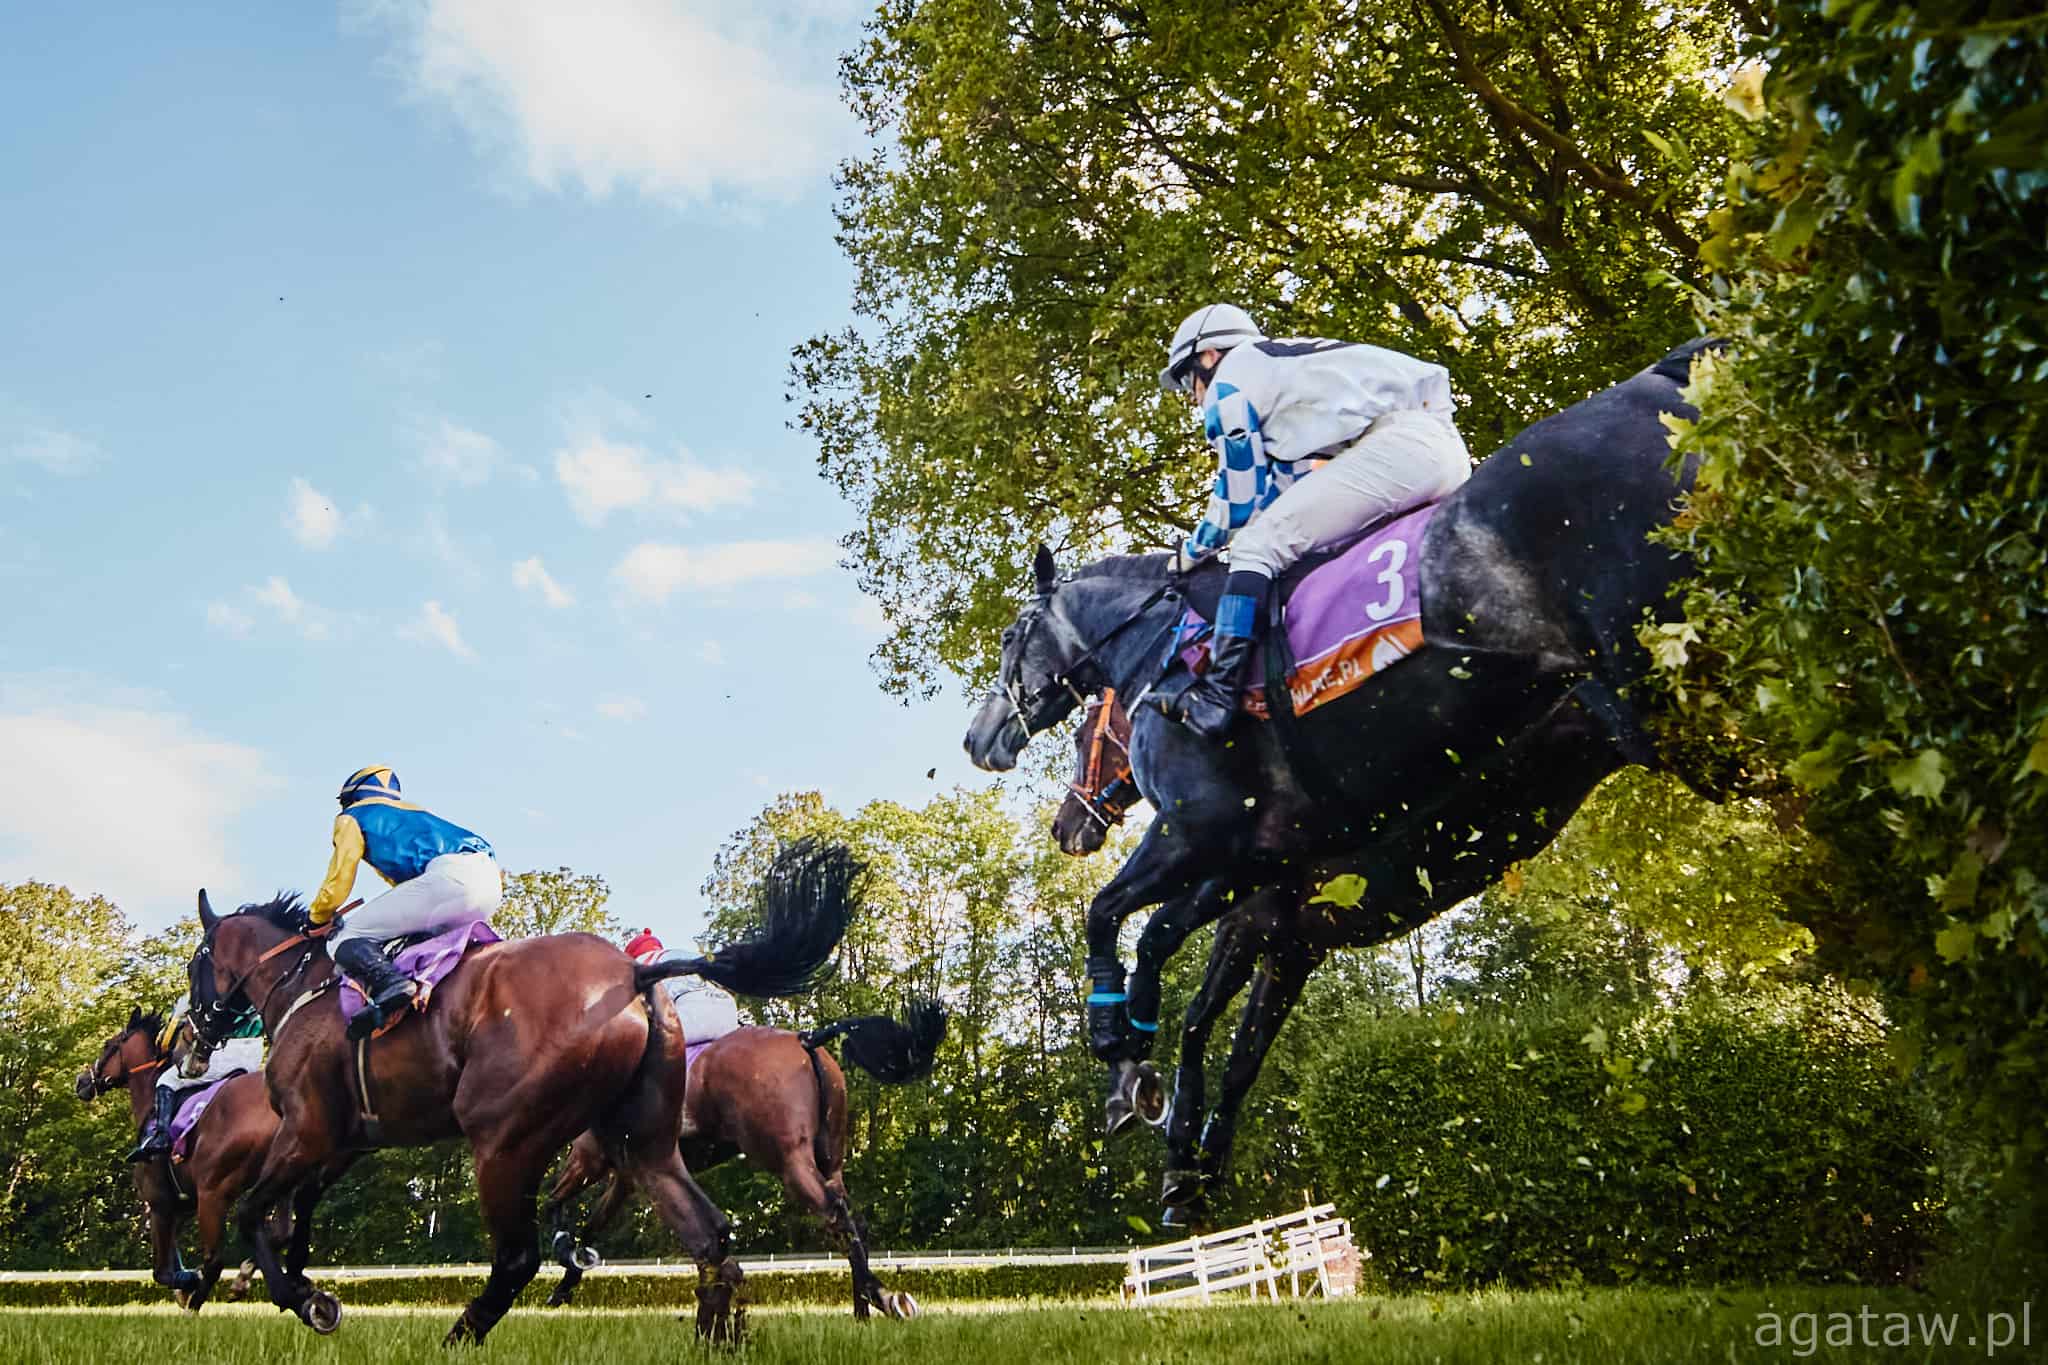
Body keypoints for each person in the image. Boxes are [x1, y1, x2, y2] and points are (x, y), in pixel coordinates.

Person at [1151, 303, 1473, 738]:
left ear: (1209, 356)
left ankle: (1218, 695)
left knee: (1255, 547)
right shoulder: (1280, 379)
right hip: (1439, 451)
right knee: (1303, 546)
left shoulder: (1230, 381)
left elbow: (1239, 499)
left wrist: (1191, 553)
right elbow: (1282, 493)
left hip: (1402, 449)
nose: (1193, 397)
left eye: (1188, 380)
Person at [309, 766, 502, 1041]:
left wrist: (318, 917)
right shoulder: (415, 813)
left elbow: (340, 877)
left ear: (351, 797)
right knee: (420, 942)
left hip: (450, 880)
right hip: (490, 883)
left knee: (344, 937)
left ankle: (392, 983)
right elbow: (408, 890)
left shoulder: (352, 816)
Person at [125, 995, 264, 1164]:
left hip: (227, 1051)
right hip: (255, 1053)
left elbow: (169, 1040)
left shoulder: (204, 992)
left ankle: (161, 1137)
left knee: (166, 1080)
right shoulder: (249, 989)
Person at [624, 928, 740, 1045]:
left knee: (644, 1044)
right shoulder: (681, 953)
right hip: (728, 1008)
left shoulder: (641, 963)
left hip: (693, 1012)